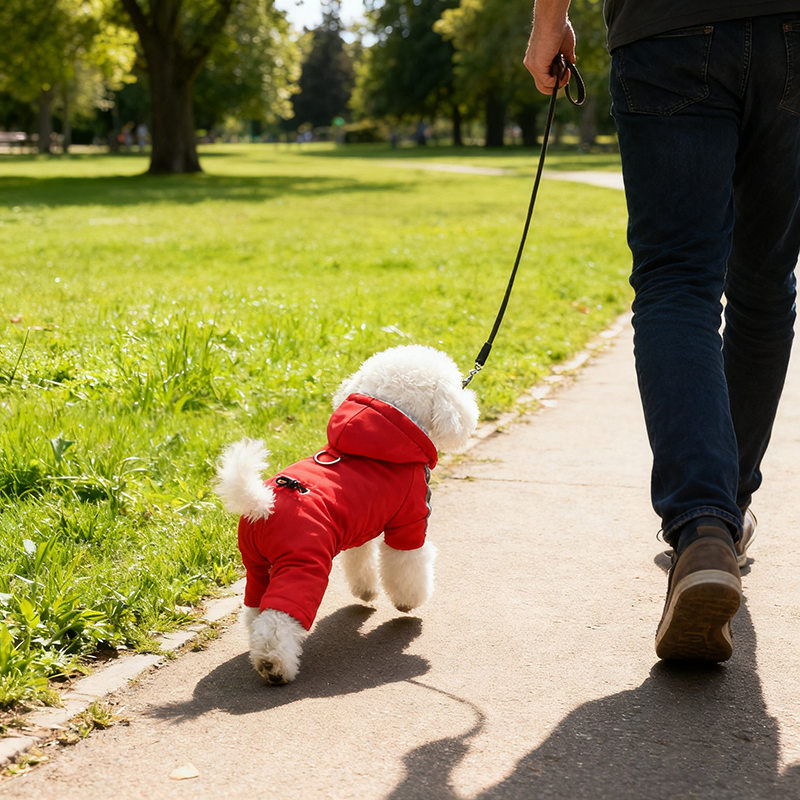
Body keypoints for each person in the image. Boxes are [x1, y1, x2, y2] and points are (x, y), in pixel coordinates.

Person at [524, 1, 800, 662]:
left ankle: (705, 526)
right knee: (765, 283)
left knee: (679, 280)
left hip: (666, 25)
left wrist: (547, 23)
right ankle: (722, 523)